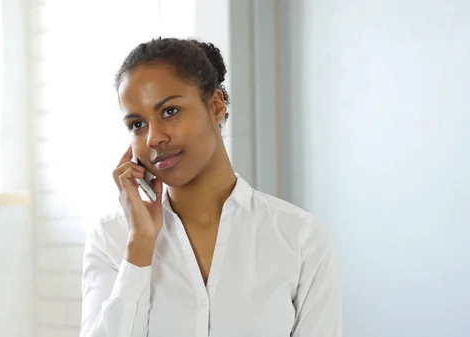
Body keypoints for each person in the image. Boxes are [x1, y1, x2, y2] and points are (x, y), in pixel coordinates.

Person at [80, 37, 342, 337]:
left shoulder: (301, 239)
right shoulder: (111, 240)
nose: (153, 138)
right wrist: (139, 246)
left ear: (216, 106)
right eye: (137, 125)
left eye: (169, 112)